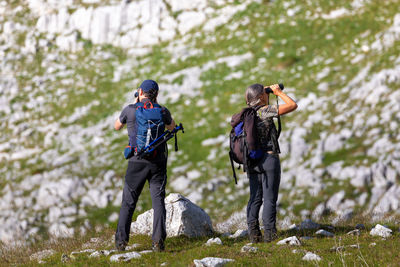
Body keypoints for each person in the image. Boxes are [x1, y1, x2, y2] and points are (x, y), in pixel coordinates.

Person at [114, 79, 176, 252]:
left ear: (140, 92)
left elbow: (117, 126)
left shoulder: (130, 110)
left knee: (128, 202)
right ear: (156, 94)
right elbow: (172, 126)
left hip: (136, 161)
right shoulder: (162, 110)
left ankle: (121, 243)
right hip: (157, 162)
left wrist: (134, 104)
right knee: (158, 201)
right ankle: (158, 242)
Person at [244, 83, 297, 243]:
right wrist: (278, 92)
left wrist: (264, 92)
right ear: (261, 97)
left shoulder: (246, 115)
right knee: (269, 199)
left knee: (255, 198)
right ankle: (269, 235)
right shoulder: (264, 111)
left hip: (252, 161)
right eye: (264, 94)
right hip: (268, 159)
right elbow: (292, 105)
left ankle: (253, 235)